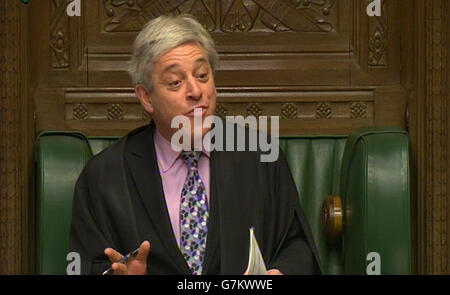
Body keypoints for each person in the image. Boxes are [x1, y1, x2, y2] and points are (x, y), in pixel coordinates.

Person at [70, 14, 321, 275]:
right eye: (176, 82)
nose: (195, 91)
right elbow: (86, 265)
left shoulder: (260, 156)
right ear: (146, 97)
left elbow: (296, 247)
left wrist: (279, 273)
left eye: (202, 75)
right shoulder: (105, 176)